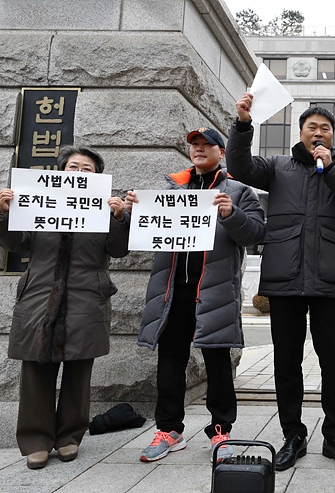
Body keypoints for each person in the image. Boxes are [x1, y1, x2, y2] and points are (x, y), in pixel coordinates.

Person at [225, 94, 335, 471]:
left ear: (333, 136)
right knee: (286, 361)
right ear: (301, 132)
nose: (319, 133)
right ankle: (293, 434)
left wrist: (331, 169)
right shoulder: (277, 167)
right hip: (285, 278)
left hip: (329, 281)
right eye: (312, 127)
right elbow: (239, 166)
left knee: (334, 360)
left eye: (325, 129)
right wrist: (243, 126)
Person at [129, 127, 265, 464]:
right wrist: (134, 211)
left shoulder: (239, 191)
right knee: (170, 360)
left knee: (218, 364)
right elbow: (148, 231)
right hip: (173, 291)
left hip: (214, 290)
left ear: (221, 152)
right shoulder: (172, 188)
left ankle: (221, 432)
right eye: (195, 146)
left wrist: (231, 214)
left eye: (207, 145)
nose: (199, 150)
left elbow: (257, 233)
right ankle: (170, 430)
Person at [0, 146, 130, 470]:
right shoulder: (38, 200)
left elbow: (118, 250)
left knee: (79, 370)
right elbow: (14, 242)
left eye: (87, 170)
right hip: (39, 295)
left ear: (97, 178)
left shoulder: (106, 210)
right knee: (36, 368)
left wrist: (120, 218)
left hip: (86, 297)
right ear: (60, 172)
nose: (79, 173)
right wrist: (4, 211)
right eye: (73, 167)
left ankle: (69, 437)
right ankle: (36, 440)